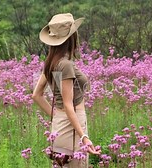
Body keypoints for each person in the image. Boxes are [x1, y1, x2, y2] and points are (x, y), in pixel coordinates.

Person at [32, 13, 101, 167]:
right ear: (71, 38)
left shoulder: (51, 62)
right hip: (72, 126)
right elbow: (69, 105)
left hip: (60, 124)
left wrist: (57, 115)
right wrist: (84, 136)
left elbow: (36, 95)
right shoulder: (65, 65)